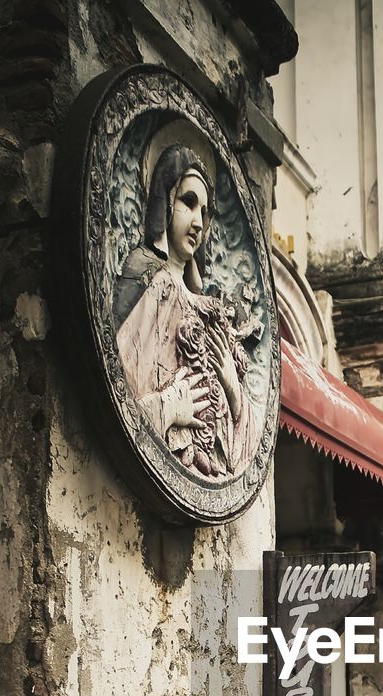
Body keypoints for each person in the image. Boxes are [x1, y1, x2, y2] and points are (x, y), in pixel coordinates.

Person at [114, 144, 257, 478]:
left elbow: (245, 458)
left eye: (204, 213)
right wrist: (170, 406)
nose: (198, 223)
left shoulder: (208, 308)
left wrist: (233, 389)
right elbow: (119, 395)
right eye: (188, 202)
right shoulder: (152, 282)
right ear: (165, 201)